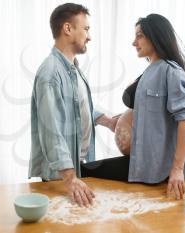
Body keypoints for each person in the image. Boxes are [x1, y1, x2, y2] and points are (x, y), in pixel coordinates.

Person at [81, 14, 185, 200]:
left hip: (158, 169)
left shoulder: (171, 72)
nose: (134, 42)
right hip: (139, 161)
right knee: (85, 170)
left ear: (156, 35)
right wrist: (118, 122)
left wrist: (177, 170)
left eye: (139, 35)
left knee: (85, 171)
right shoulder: (150, 70)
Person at [28, 3, 117, 206]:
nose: (90, 36)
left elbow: (77, 109)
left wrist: (107, 121)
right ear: (68, 29)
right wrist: (70, 178)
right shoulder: (50, 73)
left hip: (76, 170)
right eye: (86, 29)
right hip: (61, 177)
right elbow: (50, 130)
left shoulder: (72, 69)